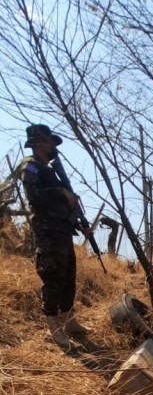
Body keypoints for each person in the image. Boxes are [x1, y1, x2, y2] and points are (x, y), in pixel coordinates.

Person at [19, 124, 90, 351]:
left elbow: (66, 206)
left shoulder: (53, 172)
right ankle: (54, 327)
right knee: (53, 275)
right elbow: (35, 196)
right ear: (39, 143)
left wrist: (81, 224)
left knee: (69, 273)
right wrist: (60, 192)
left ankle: (69, 321)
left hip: (62, 229)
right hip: (47, 229)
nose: (53, 147)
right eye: (50, 142)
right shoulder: (30, 166)